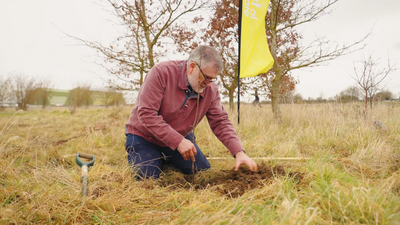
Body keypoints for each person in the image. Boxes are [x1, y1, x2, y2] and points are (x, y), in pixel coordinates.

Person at [125, 45, 257, 179]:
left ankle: (167, 157)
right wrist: (178, 141)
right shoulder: (161, 73)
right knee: (146, 176)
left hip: (178, 136)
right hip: (144, 136)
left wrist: (239, 152)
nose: (209, 84)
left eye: (213, 79)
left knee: (201, 170)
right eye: (206, 77)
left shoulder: (211, 90)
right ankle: (154, 156)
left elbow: (220, 122)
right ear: (192, 67)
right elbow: (146, 114)